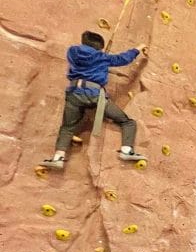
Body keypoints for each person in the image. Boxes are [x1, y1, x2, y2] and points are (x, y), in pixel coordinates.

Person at [41, 31, 147, 170]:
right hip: (95, 95)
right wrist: (138, 48)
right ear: (99, 46)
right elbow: (122, 59)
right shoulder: (102, 57)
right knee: (127, 122)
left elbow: (87, 61)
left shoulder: (72, 51)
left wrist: (100, 58)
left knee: (67, 127)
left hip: (74, 94)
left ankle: (58, 158)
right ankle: (127, 151)